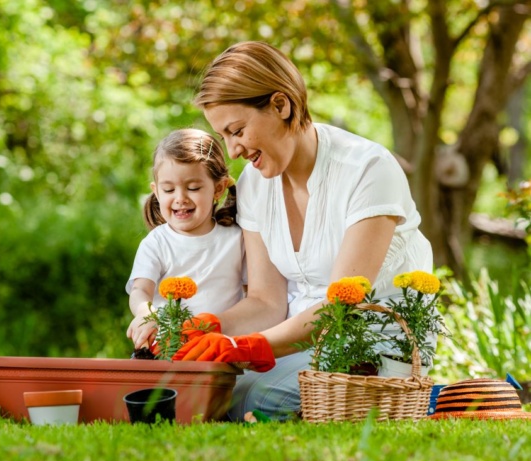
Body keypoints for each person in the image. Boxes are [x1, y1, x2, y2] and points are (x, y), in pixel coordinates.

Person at [172, 41, 434, 421]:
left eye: (238, 130)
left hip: (371, 352)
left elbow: (342, 307)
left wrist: (249, 347)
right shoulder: (254, 185)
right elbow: (266, 301)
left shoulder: (367, 169)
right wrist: (213, 327)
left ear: (281, 105)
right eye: (224, 137)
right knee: (202, 392)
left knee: (254, 400)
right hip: (292, 348)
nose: (233, 151)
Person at [126, 128, 246, 351]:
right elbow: (140, 290)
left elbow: (252, 296)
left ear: (218, 189)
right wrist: (145, 313)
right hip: (166, 351)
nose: (180, 198)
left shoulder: (236, 239)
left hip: (219, 351)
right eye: (169, 189)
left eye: (193, 188)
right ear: (157, 191)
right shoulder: (157, 243)